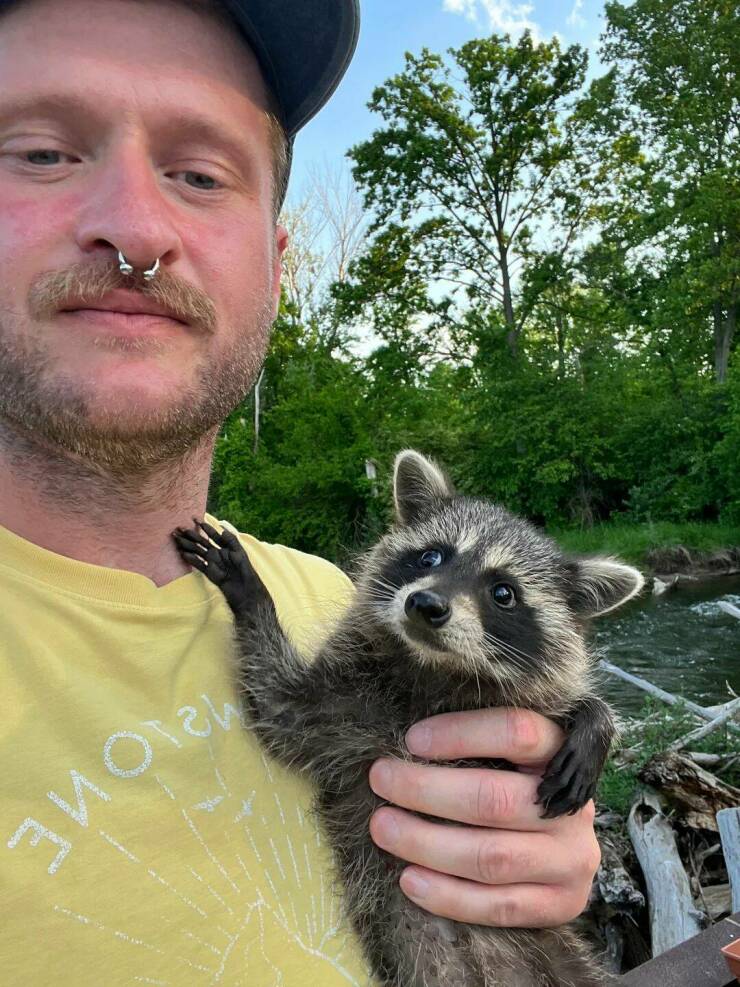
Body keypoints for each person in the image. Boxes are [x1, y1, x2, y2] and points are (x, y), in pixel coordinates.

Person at [0, 0, 601, 983]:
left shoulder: (331, 599)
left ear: (277, 271)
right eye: (39, 153)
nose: (133, 229)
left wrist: (545, 828)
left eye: (198, 174)